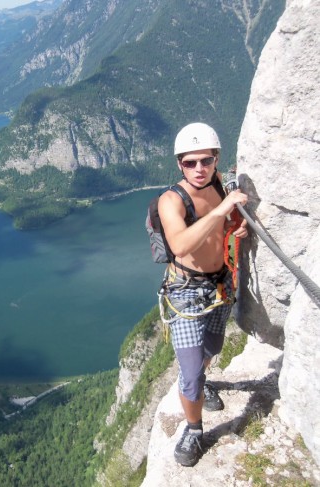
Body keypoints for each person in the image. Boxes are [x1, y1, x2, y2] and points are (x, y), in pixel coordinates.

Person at [157, 122, 248, 466]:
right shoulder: (170, 200)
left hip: (219, 283)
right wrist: (223, 212)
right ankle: (193, 430)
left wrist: (232, 223)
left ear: (215, 160)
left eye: (205, 161)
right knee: (190, 373)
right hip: (186, 294)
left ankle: (202, 380)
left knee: (213, 347)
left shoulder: (217, 183)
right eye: (189, 163)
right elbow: (179, 244)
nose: (199, 169)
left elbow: (219, 227)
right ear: (178, 164)